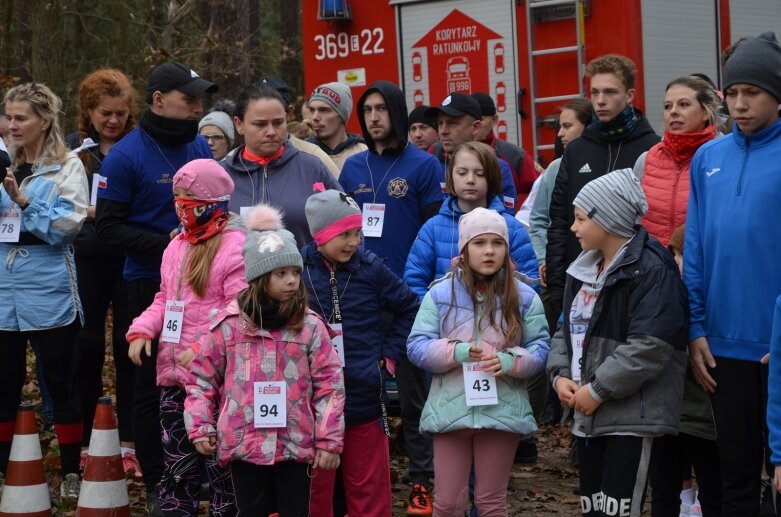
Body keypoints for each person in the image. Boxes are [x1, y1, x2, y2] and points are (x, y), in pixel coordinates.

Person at [96, 60, 217, 513]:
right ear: (159, 100)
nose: (197, 107)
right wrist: (167, 242)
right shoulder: (125, 156)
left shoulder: (199, 143)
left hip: (205, 282)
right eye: (189, 99)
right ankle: (157, 478)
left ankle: (200, 470)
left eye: (200, 99)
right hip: (148, 285)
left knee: (203, 376)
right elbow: (107, 229)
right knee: (152, 384)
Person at [185, 204, 345, 517]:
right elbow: (202, 378)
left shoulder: (310, 327)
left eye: (295, 273)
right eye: (280, 273)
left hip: (294, 443)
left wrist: (328, 440)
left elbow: (330, 385)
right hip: (243, 442)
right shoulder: (228, 326)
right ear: (259, 278)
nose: (291, 281)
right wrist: (200, 424)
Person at [547, 168, 688, 516]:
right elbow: (565, 330)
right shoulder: (582, 268)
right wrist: (559, 375)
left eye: (580, 218)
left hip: (629, 415)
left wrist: (596, 390)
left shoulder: (652, 268)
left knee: (620, 509)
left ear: (606, 218)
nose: (573, 227)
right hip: (587, 412)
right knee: (595, 508)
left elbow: (650, 345)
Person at [684, 32, 781, 516]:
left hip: (777, 345)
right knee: (735, 476)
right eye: (733, 93)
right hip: (722, 348)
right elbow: (695, 249)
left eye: (753, 93)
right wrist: (695, 327)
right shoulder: (708, 159)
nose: (739, 105)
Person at [338, 80, 443, 515]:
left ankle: (422, 481)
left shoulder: (424, 166)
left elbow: (435, 233)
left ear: (397, 113)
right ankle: (354, 483)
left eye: (382, 108)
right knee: (357, 393)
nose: (374, 117)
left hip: (408, 297)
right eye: (367, 110)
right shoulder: (352, 169)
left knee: (416, 396)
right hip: (358, 296)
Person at [407, 207, 550, 516]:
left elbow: (540, 348)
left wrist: (512, 361)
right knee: (447, 503)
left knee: (491, 502)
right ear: (464, 248)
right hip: (451, 412)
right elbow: (417, 346)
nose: (489, 251)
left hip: (502, 411)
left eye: (497, 243)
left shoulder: (525, 297)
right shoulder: (439, 294)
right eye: (479, 243)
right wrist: (454, 352)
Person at [125, 159, 242, 515]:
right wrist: (144, 327)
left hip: (217, 385)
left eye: (188, 197)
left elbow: (239, 308)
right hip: (173, 378)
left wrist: (202, 348)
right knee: (177, 469)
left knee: (222, 471)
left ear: (211, 201)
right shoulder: (175, 247)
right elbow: (165, 298)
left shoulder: (235, 246)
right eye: (176, 196)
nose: (180, 205)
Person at [302, 188, 419, 517]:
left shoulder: (371, 269)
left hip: (364, 396)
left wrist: (389, 356)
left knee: (369, 491)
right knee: (315, 494)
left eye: (357, 233)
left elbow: (410, 307)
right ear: (320, 235)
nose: (354, 242)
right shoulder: (296, 270)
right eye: (344, 235)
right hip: (312, 405)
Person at [0, 82, 89, 499]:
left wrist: (22, 201)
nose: (12, 125)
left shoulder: (66, 165)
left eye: (21, 118)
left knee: (59, 379)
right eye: (8, 117)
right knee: (4, 382)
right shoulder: (0, 160)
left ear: (44, 121)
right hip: (3, 289)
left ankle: (71, 469)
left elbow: (66, 228)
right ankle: (5, 470)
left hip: (49, 288)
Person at [546, 54, 660, 322]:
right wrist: (557, 285)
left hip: (634, 282)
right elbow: (560, 220)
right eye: (595, 92)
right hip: (579, 281)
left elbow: (654, 219)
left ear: (630, 95)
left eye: (610, 92)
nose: (600, 100)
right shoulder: (576, 151)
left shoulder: (652, 149)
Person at [65, 68, 140, 475]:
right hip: (87, 257)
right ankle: (88, 439)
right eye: (105, 113)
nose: (113, 121)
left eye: (120, 113)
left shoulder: (136, 148)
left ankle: (128, 439)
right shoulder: (76, 153)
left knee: (129, 349)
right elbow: (67, 207)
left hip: (127, 259)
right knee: (87, 348)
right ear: (89, 111)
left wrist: (105, 213)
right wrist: (95, 213)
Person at [405, 141, 538, 300]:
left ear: (492, 177)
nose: (470, 180)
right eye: (462, 173)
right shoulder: (432, 228)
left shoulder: (511, 227)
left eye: (480, 174)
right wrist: (432, 315)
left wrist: (506, 315)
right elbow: (414, 280)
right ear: (450, 176)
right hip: (446, 321)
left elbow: (529, 281)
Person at [649, 224, 720, 517]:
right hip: (667, 414)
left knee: (716, 492)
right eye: (674, 253)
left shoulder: (715, 301)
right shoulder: (659, 292)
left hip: (707, 418)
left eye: (685, 254)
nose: (678, 261)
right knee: (664, 493)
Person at [222, 83, 341, 247]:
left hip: (303, 272)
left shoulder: (311, 168)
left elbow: (348, 226)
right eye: (260, 124)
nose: (271, 132)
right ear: (239, 124)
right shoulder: (219, 176)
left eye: (278, 123)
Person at [529, 97, 592, 334]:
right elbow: (538, 219)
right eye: (559, 127)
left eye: (568, 127)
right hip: (562, 267)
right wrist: (544, 259)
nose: (560, 135)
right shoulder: (555, 168)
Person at [638, 75, 720, 247]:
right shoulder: (647, 159)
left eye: (684, 104)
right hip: (656, 269)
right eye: (668, 106)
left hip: (704, 266)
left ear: (706, 112)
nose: (673, 111)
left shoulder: (723, 157)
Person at [427, 93, 518, 214]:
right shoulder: (429, 166)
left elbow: (505, 219)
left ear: (475, 127)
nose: (443, 131)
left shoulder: (498, 168)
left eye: (452, 123)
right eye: (440, 123)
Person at [255, 76, 341, 178]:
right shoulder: (235, 160)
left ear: (289, 113)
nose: (270, 131)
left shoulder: (314, 155)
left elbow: (340, 192)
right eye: (260, 121)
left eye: (276, 119)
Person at [472, 92, 540, 208]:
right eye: (470, 121)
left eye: (479, 120)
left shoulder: (514, 155)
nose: (474, 126)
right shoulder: (442, 152)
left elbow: (543, 189)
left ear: (494, 120)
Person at [307, 82, 367, 172]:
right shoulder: (302, 153)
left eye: (323, 110)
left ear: (342, 115)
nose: (314, 117)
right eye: (312, 110)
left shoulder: (364, 153)